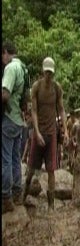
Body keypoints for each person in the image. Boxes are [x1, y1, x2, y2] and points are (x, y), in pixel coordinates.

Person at [23, 57, 69, 211]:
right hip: (39, 132)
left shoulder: (57, 88)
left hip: (51, 133)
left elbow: (61, 109)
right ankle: (23, 195)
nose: (49, 75)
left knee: (51, 170)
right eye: (47, 72)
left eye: (51, 73)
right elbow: (34, 111)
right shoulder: (36, 87)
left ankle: (51, 205)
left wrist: (65, 130)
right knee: (31, 167)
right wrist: (36, 132)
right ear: (43, 71)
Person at [2, 41, 26, 212]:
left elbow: (5, 95)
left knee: (6, 159)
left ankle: (6, 197)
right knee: (16, 158)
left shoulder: (10, 68)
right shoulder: (24, 68)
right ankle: (18, 192)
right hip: (19, 119)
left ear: (5, 52)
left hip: (9, 118)